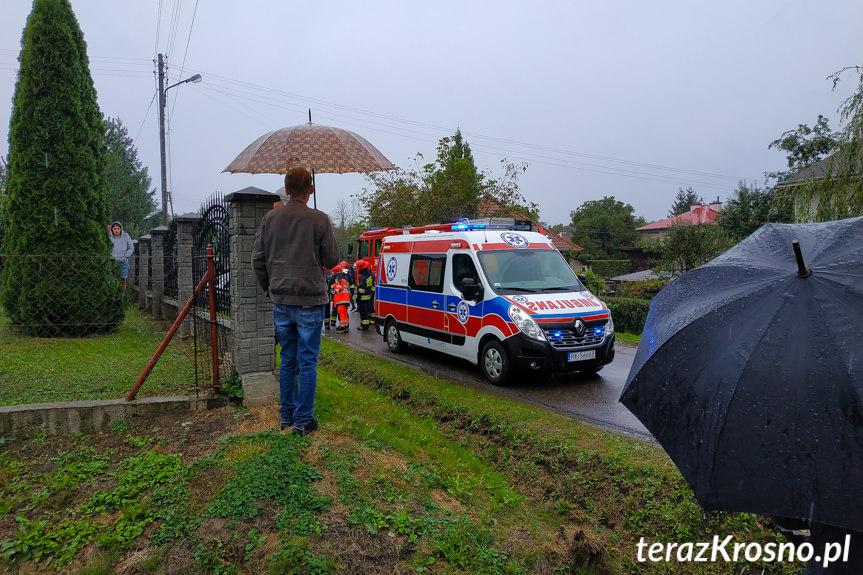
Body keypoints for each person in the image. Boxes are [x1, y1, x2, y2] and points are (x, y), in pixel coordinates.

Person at [252, 167, 339, 437]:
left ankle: (286, 418)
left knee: (288, 359)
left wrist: (271, 288)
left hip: (281, 301)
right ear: (310, 190)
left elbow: (257, 260)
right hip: (310, 302)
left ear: (286, 189)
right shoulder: (320, 219)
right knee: (308, 362)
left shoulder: (270, 219)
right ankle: (303, 422)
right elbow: (332, 260)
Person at [108, 221, 134, 289]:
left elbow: (131, 248)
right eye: (115, 228)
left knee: (123, 280)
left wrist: (125, 257)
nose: (116, 230)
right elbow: (106, 248)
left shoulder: (126, 236)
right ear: (112, 229)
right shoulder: (109, 238)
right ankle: (113, 295)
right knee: (111, 280)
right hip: (112, 262)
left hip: (123, 263)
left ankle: (122, 295)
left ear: (121, 229)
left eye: (118, 228)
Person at [355, 259, 374, 330]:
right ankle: (365, 324)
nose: (356, 269)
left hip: (362, 298)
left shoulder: (362, 277)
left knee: (363, 312)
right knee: (366, 311)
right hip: (368, 297)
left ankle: (364, 326)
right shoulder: (368, 275)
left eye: (357, 267)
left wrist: (358, 296)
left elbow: (362, 288)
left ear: (360, 267)